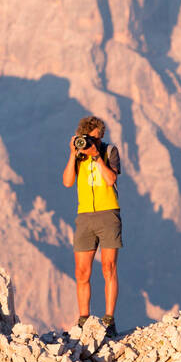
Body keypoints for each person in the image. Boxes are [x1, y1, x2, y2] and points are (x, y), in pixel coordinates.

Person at [61, 115, 122, 337]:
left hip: (108, 214)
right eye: (88, 138)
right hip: (85, 216)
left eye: (96, 138)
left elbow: (110, 180)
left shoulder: (109, 151)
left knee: (109, 268)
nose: (91, 142)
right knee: (81, 271)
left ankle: (109, 319)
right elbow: (67, 182)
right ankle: (83, 318)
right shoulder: (79, 156)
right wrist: (72, 154)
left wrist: (97, 157)